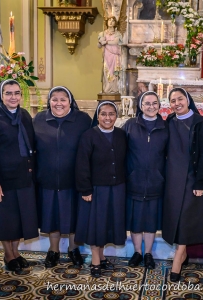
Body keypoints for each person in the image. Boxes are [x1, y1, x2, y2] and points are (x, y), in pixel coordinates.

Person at [33, 86, 92, 268]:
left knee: (74, 218)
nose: (58, 103)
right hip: (48, 179)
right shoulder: (39, 119)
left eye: (63, 99)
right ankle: (53, 250)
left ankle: (74, 250)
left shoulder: (82, 120)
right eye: (54, 99)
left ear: (70, 101)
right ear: (49, 101)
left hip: (74, 181)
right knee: (52, 218)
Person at [0, 79, 38, 271]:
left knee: (20, 218)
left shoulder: (24, 115)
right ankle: (8, 255)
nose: (13, 97)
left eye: (16, 93)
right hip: (4, 180)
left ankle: (16, 252)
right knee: (7, 220)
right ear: (1, 95)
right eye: (8, 93)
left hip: (23, 176)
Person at [162, 87, 203, 282]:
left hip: (192, 177)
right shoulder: (169, 121)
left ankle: (178, 258)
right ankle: (183, 254)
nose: (177, 103)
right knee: (175, 215)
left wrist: (200, 181)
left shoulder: (201, 123)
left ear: (188, 99)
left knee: (185, 217)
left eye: (180, 99)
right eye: (173, 101)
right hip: (173, 177)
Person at [75, 101, 127, 278]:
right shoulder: (88, 136)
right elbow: (82, 165)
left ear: (116, 116)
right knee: (96, 225)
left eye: (111, 114)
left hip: (117, 188)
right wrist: (86, 189)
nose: (107, 117)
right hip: (97, 190)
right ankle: (95, 260)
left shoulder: (121, 135)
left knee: (107, 224)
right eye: (103, 114)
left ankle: (102, 255)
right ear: (97, 116)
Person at [122, 91, 168, 269]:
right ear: (141, 106)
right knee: (136, 220)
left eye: (154, 103)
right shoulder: (130, 125)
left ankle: (148, 252)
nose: (151, 106)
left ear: (159, 105)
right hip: (135, 179)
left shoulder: (164, 126)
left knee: (150, 220)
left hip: (156, 180)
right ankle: (137, 252)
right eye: (147, 103)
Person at [98, 16, 122, 94]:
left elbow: (116, 42)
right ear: (107, 22)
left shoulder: (117, 33)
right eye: (109, 20)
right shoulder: (102, 33)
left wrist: (106, 42)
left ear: (115, 23)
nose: (111, 22)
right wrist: (100, 42)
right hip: (106, 56)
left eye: (113, 21)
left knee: (115, 73)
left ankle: (114, 89)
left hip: (115, 56)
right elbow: (99, 45)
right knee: (106, 72)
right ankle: (107, 88)